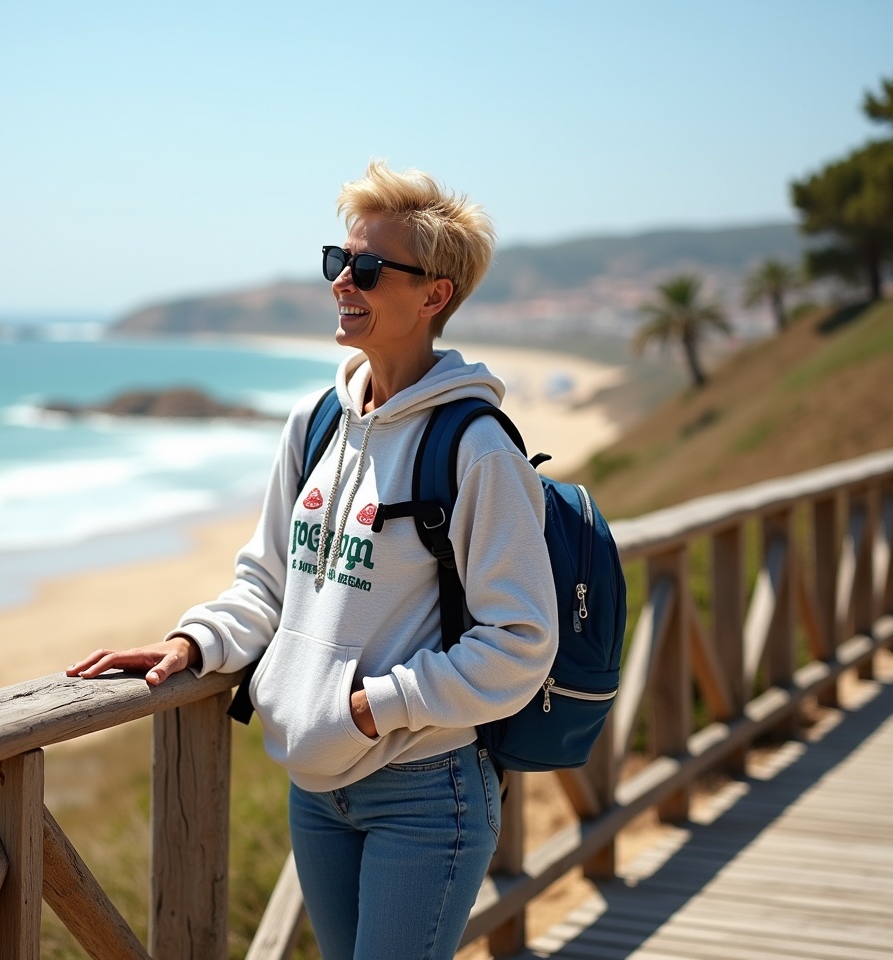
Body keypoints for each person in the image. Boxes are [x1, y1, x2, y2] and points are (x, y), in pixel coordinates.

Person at [68, 160, 557, 960]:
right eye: (338, 261)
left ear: (434, 296)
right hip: (315, 792)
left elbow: (521, 642)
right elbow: (267, 582)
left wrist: (371, 709)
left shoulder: (474, 446)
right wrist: (194, 642)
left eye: (366, 268)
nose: (342, 283)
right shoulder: (315, 422)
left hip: (425, 792)